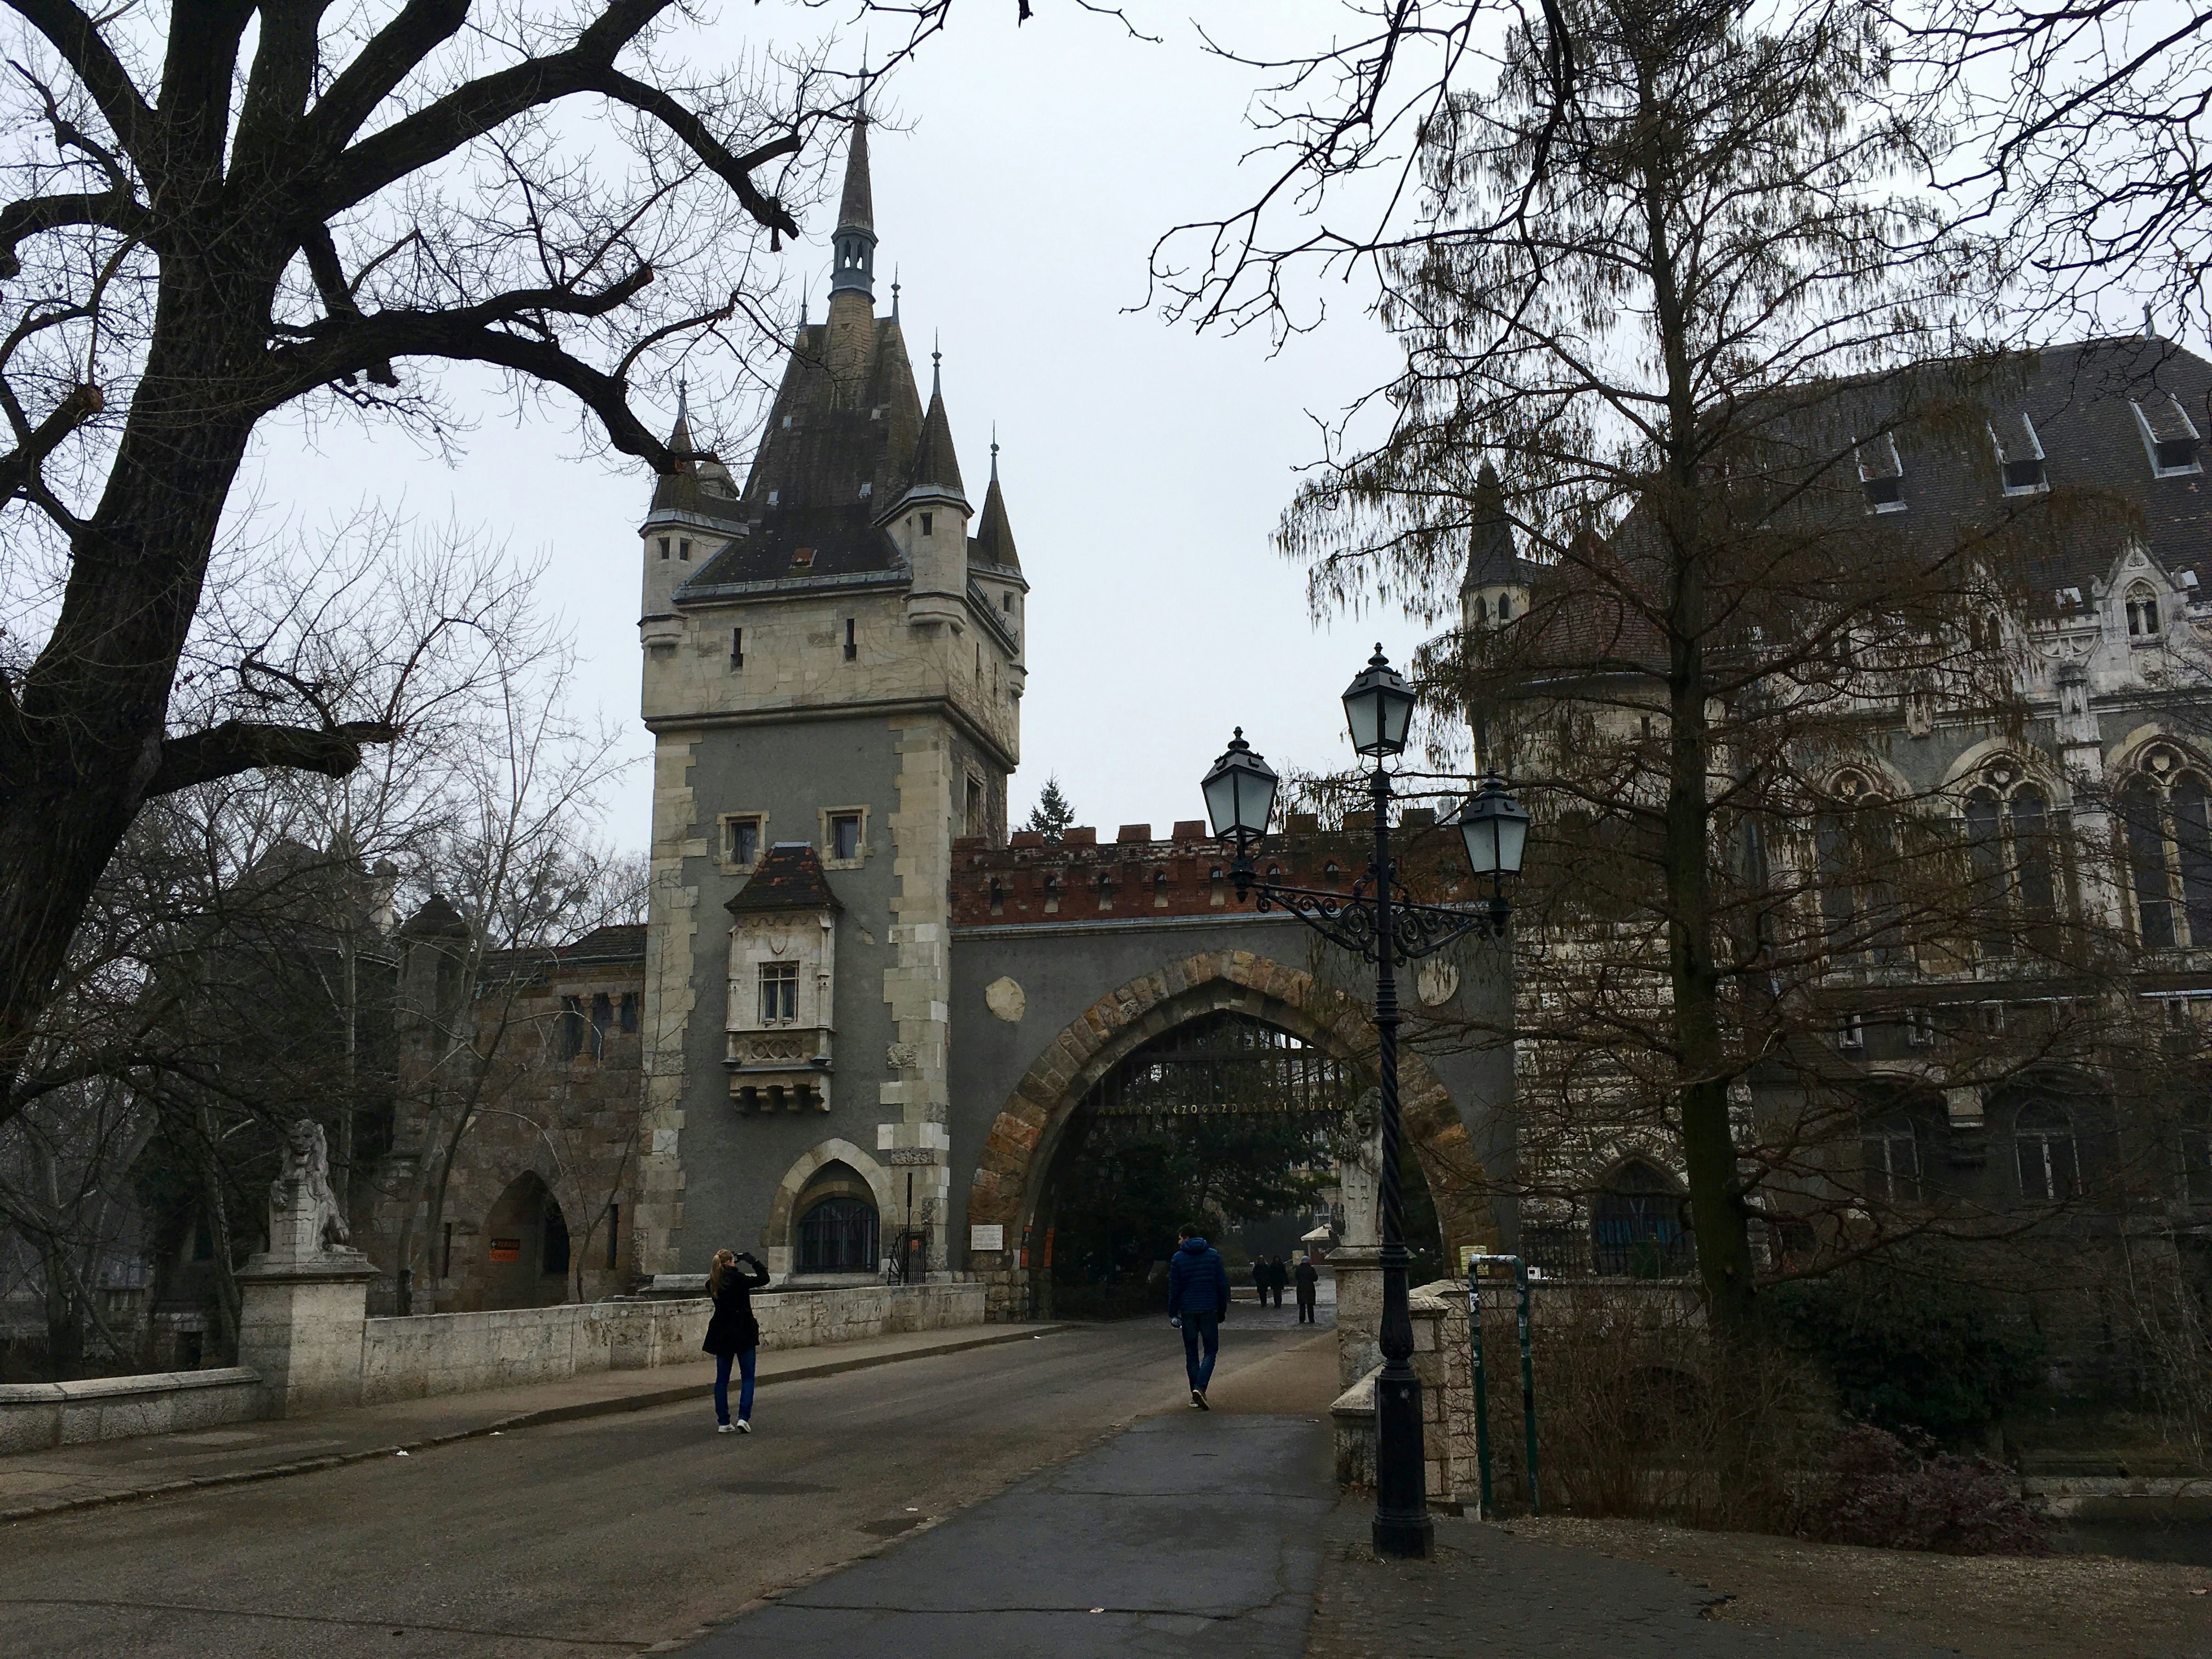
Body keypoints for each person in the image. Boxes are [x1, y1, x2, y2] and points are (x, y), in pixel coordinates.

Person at [703, 1247, 770, 1433]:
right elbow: (764, 1279)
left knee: (722, 1380)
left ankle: (724, 1422)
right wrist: (753, 1261)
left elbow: (719, 1280)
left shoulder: (712, 1283)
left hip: (722, 1332)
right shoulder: (740, 1279)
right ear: (731, 1262)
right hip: (743, 1331)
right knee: (748, 1377)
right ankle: (743, 1418)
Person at [1167, 1224, 1228, 1409]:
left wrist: (1172, 1312)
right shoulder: (1213, 1255)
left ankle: (1196, 1394)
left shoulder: (1178, 1258)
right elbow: (1222, 1284)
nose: (1178, 1242)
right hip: (1209, 1308)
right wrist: (1222, 1309)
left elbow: (1174, 1288)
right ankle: (1200, 1388)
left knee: (1191, 1353)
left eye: (1180, 1238)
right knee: (1211, 1351)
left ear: (1186, 1238)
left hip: (1188, 1311)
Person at [1294, 1255, 1319, 1324]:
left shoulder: (1299, 1269)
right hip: (1309, 1287)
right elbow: (1315, 1278)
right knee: (1310, 1305)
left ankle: (1302, 1319)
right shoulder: (1311, 1269)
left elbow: (1296, 1277)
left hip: (1301, 1287)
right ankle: (1311, 1319)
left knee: (1302, 1305)